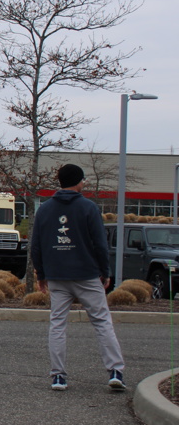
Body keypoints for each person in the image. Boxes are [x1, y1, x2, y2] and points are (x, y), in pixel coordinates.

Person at [31, 163, 126, 392]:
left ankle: (58, 376)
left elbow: (36, 245)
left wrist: (41, 274)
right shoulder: (89, 207)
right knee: (102, 321)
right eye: (83, 180)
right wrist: (105, 271)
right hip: (86, 274)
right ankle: (115, 371)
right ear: (79, 181)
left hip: (57, 275)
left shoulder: (44, 209)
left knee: (57, 324)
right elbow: (100, 244)